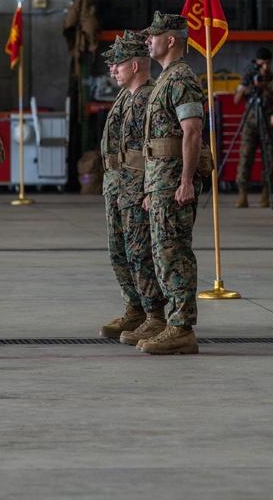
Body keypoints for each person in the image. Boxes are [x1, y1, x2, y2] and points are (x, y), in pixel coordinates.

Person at [138, 11, 205, 354]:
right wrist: (152, 188)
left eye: (153, 35)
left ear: (171, 40)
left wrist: (186, 181)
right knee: (163, 253)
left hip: (173, 182)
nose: (147, 40)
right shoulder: (167, 78)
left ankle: (181, 327)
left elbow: (192, 132)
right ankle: (174, 323)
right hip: (160, 183)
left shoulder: (181, 79)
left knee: (174, 253)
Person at [97, 35, 168, 343]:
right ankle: (135, 307)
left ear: (135, 65)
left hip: (136, 186)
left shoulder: (149, 96)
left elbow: (154, 149)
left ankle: (155, 314)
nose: (112, 70)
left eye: (117, 64)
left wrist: (149, 189)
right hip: (117, 185)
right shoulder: (127, 96)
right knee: (120, 252)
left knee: (141, 254)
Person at [233, 47, 273, 208]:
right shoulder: (248, 77)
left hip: (267, 122)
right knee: (246, 157)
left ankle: (266, 194)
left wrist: (261, 86)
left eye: (268, 63)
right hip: (250, 123)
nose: (265, 67)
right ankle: (242, 194)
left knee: (269, 158)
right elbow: (236, 100)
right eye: (262, 64)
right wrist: (248, 87)